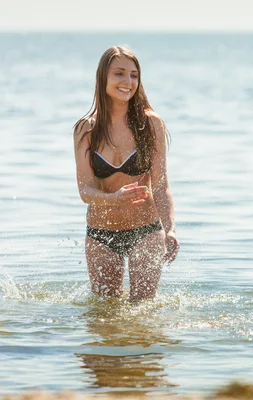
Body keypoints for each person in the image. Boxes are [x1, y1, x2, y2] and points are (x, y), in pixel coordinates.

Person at [73, 46, 179, 302]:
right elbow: (85, 191)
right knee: (105, 315)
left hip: (146, 230)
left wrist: (171, 229)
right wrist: (114, 199)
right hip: (101, 234)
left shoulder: (151, 124)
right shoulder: (85, 130)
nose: (127, 82)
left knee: (142, 310)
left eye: (133, 75)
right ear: (103, 78)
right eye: (119, 73)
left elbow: (161, 185)